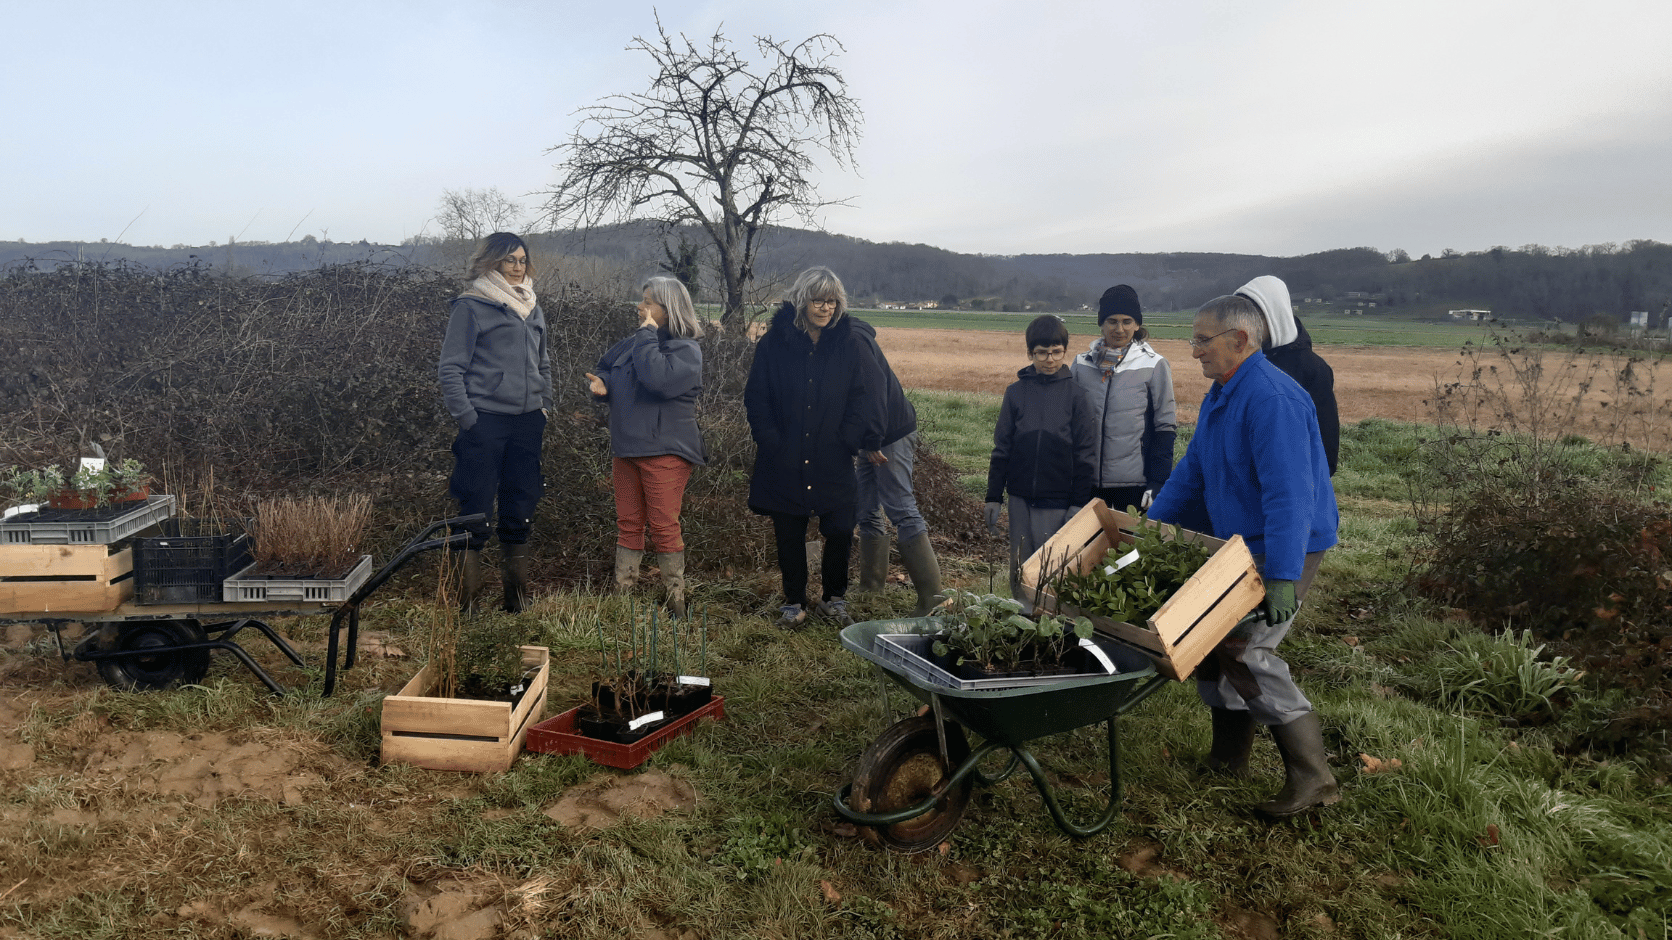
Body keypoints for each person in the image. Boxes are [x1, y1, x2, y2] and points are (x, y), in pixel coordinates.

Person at [1146, 293, 1341, 818]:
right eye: (1193, 340)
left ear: (1240, 339)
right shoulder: (1224, 393)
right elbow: (1192, 472)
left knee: (1247, 651)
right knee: (1215, 645)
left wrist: (1281, 575)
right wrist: (1148, 531)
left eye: (1202, 341)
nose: (1194, 352)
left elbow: (1289, 494)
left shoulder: (1272, 399)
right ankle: (1228, 758)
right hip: (1243, 544)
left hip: (1288, 546)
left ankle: (1313, 778)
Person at [744, 266, 883, 628]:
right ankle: (794, 603)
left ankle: (834, 598)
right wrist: (770, 440)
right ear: (802, 301)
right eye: (819, 301)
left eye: (832, 302)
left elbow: (861, 396)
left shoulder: (848, 343)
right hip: (784, 455)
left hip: (832, 455)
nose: (826, 308)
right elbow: (757, 397)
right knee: (789, 531)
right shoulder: (774, 343)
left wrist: (849, 440)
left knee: (839, 528)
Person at [437, 232, 551, 613]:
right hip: (484, 422)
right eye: (509, 260)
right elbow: (450, 369)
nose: (518, 267)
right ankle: (466, 607)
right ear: (492, 262)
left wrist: (544, 404)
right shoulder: (471, 306)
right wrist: (469, 418)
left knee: (520, 508)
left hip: (527, 423)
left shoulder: (533, 307)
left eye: (522, 260)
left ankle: (516, 603)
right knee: (475, 510)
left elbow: (544, 362)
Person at [585, 276, 707, 618]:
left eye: (648, 302)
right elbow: (607, 368)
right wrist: (602, 384)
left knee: (663, 524)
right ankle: (623, 595)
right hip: (626, 448)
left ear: (669, 309)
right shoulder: (633, 343)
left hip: (666, 451)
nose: (640, 307)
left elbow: (657, 379)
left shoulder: (686, 349)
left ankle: (676, 600)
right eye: (642, 301)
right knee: (629, 521)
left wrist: (646, 334)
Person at [984, 315, 1096, 613]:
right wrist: (994, 495)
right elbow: (1002, 448)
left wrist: (1078, 503)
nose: (1050, 359)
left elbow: (1086, 455)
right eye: (1042, 353)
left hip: (1058, 500)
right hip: (1019, 496)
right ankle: (1020, 619)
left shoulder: (1077, 397)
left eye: (1057, 352)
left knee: (1053, 567)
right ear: (1029, 354)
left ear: (1065, 351)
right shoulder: (1016, 393)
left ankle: (1054, 625)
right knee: (1021, 563)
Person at [845, 315, 943, 617]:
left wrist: (873, 439)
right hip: (870, 434)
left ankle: (933, 600)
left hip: (890, 432)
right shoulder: (826, 340)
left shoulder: (852, 339)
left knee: (900, 506)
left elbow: (875, 389)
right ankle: (871, 587)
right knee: (866, 506)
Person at [1072, 284, 1177, 512]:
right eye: (1112, 321)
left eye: (1127, 321)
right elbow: (1069, 422)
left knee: (1129, 548)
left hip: (1133, 485)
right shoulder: (1081, 364)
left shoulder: (1154, 364)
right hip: (1086, 482)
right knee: (1088, 546)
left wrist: (1158, 481)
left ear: (1137, 324)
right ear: (1101, 324)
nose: (1119, 328)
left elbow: (1165, 426)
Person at [1235, 276, 1340, 475]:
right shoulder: (1237, 363)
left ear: (1275, 315)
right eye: (1240, 316)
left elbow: (1326, 450)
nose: (1245, 325)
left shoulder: (1312, 370)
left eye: (1254, 316)